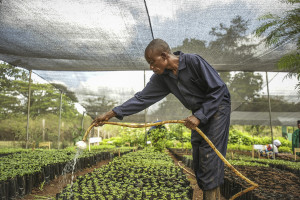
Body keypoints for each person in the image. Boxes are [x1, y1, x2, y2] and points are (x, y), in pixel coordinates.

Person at [93, 38, 231, 199]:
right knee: (199, 157)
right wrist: (110, 114)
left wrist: (199, 116)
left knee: (209, 155)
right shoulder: (162, 78)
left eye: (153, 62)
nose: (151, 67)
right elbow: (141, 99)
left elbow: (219, 89)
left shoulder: (193, 61)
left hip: (217, 108)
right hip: (198, 112)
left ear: (165, 56)